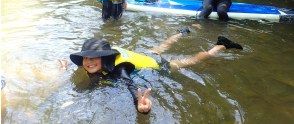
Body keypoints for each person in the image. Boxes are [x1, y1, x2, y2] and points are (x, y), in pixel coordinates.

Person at [69, 28, 243, 114]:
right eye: (85, 58)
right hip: (143, 55)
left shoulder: (120, 68)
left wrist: (139, 102)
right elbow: (90, 67)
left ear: (104, 57)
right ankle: (181, 32)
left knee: (190, 61)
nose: (88, 62)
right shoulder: (103, 56)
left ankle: (221, 46)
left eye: (93, 58)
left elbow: (130, 84)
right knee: (160, 47)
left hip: (155, 64)